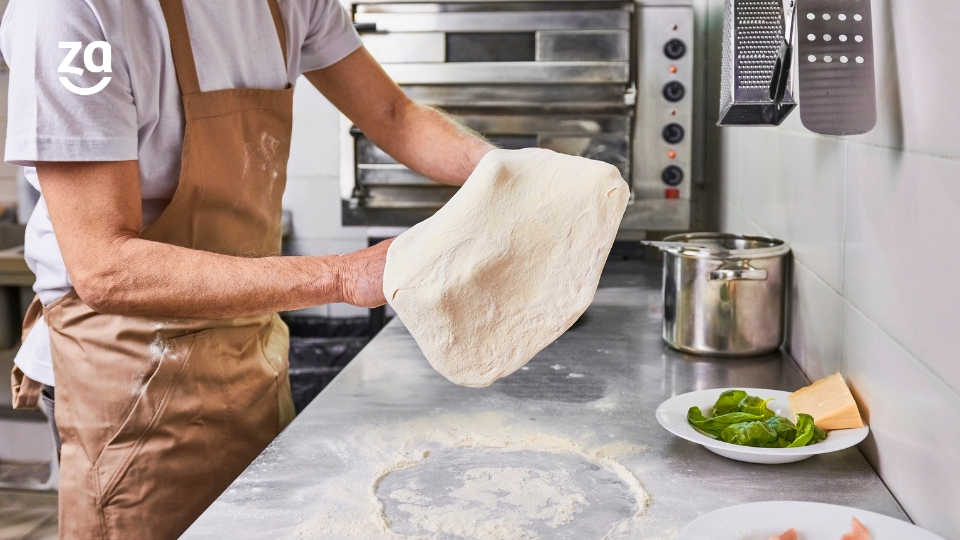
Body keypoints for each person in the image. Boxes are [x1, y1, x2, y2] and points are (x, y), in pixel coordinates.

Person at [1, 0, 494, 538]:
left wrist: (507, 174)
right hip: (127, 369)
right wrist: (343, 277)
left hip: (250, 345)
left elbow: (393, 115)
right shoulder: (71, 11)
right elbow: (105, 266)